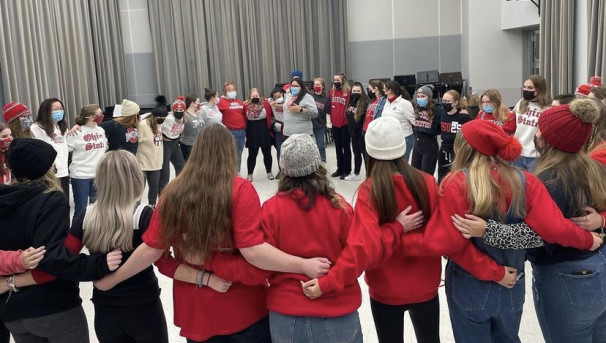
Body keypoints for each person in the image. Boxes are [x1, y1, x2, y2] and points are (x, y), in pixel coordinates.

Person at [93, 124, 331, 342]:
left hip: (197, 312)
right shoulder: (240, 189)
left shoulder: (172, 193)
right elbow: (253, 251)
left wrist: (112, 279)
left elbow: (152, 250)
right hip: (243, 308)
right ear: (230, 152)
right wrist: (302, 265)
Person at [405, 119, 600, 342]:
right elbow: (554, 228)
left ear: (462, 148)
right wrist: (587, 240)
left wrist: (403, 238)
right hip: (512, 283)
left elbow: (447, 243)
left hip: (471, 285)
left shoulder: (456, 183)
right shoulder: (526, 181)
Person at [0, 138, 122, 343]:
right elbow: (51, 258)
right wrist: (98, 264)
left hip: (13, 311)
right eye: (52, 164)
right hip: (53, 308)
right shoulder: (50, 199)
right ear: (45, 170)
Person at [263, 134, 363, 342]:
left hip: (286, 312)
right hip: (336, 311)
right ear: (317, 164)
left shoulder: (270, 210)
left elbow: (262, 261)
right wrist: (327, 283)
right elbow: (356, 258)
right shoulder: (340, 207)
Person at [79, 150, 168, 342]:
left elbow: (64, 257)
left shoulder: (86, 216)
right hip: (143, 306)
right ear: (136, 177)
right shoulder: (143, 214)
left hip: (105, 308)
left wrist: (93, 266)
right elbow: (158, 252)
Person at [66, 104, 107, 217]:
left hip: (97, 174)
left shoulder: (101, 131)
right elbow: (65, 149)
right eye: (99, 114)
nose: (101, 116)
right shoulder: (77, 132)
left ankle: (94, 233)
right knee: (81, 210)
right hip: (80, 175)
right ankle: (77, 234)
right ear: (90, 117)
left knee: (97, 209)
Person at [30, 98, 70, 197]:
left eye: (61, 108)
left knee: (64, 203)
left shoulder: (62, 127)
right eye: (56, 109)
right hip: (48, 174)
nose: (60, 111)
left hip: (64, 171)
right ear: (46, 111)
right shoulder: (36, 128)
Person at [512, 75, 552, 171]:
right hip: (518, 152)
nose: (526, 90)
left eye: (530, 88)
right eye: (524, 87)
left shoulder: (549, 107)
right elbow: (511, 118)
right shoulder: (521, 102)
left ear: (539, 90)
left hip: (536, 155)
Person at [136, 96, 167, 207]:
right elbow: (136, 142)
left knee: (154, 189)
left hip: (156, 163)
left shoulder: (161, 124)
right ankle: (136, 209)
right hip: (143, 164)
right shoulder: (143, 125)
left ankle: (152, 208)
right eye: (160, 117)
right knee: (139, 190)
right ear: (154, 116)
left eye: (164, 117)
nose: (162, 119)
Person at [438, 90, 470, 183]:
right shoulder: (442, 114)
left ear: (456, 102)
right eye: (443, 101)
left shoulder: (463, 116)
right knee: (442, 175)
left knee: (457, 177)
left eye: (447, 101)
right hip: (444, 150)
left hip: (458, 151)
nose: (445, 103)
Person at [411, 85, 444, 175]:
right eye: (418, 97)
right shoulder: (417, 108)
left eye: (423, 96)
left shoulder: (437, 109)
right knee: (415, 174)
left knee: (426, 175)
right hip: (417, 144)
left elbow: (442, 125)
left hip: (430, 146)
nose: (420, 99)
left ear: (429, 97)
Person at [244, 88, 274, 181]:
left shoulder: (266, 104)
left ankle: (269, 172)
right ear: (250, 97)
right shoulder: (245, 105)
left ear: (260, 96)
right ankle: (250, 174)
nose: (255, 97)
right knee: (252, 155)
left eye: (256, 96)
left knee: (267, 154)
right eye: (253, 96)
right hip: (252, 132)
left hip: (264, 131)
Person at [381, 80, 415, 161]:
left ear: (389, 90)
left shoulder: (404, 103)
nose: (383, 90)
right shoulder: (386, 102)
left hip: (404, 139)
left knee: (402, 166)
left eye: (384, 88)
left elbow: (414, 120)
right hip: (390, 139)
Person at [158, 96, 186, 194]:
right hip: (166, 144)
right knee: (165, 172)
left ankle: (180, 190)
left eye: (181, 109)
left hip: (175, 143)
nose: (179, 111)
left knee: (182, 167)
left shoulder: (184, 118)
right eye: (176, 109)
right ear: (173, 110)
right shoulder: (168, 118)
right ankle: (162, 194)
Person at [218, 81, 246, 174]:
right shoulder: (221, 102)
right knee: (229, 154)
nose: (232, 91)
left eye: (233, 90)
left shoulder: (238, 101)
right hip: (230, 131)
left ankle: (237, 172)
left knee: (239, 153)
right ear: (224, 91)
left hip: (241, 131)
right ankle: (229, 173)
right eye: (229, 90)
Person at [344, 82, 368, 181]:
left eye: (358, 91)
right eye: (354, 91)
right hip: (353, 133)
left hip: (361, 133)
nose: (356, 93)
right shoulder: (350, 101)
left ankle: (369, 175)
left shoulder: (365, 102)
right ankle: (356, 173)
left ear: (362, 91)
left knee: (365, 154)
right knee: (356, 153)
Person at [329, 73, 352, 179]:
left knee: (346, 148)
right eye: (334, 79)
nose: (336, 81)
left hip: (345, 124)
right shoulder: (332, 91)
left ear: (343, 81)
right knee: (338, 148)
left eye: (338, 80)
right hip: (335, 124)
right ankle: (340, 168)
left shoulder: (348, 91)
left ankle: (347, 170)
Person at [268, 88, 286, 176]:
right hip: (278, 127)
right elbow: (262, 101)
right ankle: (281, 169)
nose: (277, 97)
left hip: (289, 127)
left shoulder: (288, 99)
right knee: (279, 149)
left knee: (289, 149)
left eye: (278, 95)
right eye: (275, 96)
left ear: (282, 93)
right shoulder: (271, 100)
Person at [311, 77, 330, 163]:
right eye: (314, 84)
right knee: (310, 146)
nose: (316, 86)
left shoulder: (326, 98)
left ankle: (322, 162)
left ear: (322, 86)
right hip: (309, 125)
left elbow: (327, 113)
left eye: (318, 84)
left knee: (321, 145)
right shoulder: (310, 96)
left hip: (320, 125)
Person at [180, 94, 204, 161]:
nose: (199, 104)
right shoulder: (185, 115)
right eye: (197, 102)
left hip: (199, 144)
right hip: (188, 145)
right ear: (192, 103)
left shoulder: (198, 113)